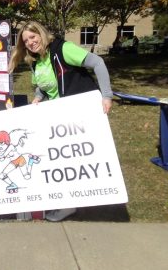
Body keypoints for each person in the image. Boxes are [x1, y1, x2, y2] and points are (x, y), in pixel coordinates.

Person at [8, 21, 113, 222]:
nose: (30, 42)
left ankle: (76, 202)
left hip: (80, 112)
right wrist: (39, 96)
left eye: (33, 36)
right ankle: (69, 203)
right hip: (58, 117)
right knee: (59, 160)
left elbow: (97, 63)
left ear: (41, 33)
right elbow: (44, 85)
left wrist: (106, 95)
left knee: (80, 159)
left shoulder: (63, 49)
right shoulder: (36, 61)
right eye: (26, 40)